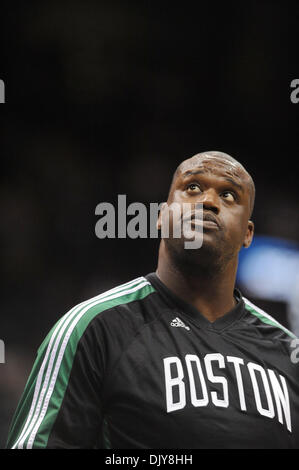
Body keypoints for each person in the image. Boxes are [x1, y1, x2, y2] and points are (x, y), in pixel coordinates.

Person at [7, 151, 299, 449]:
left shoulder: (289, 354)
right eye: (193, 188)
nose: (209, 202)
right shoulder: (93, 328)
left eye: (228, 195)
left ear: (247, 234)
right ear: (161, 217)